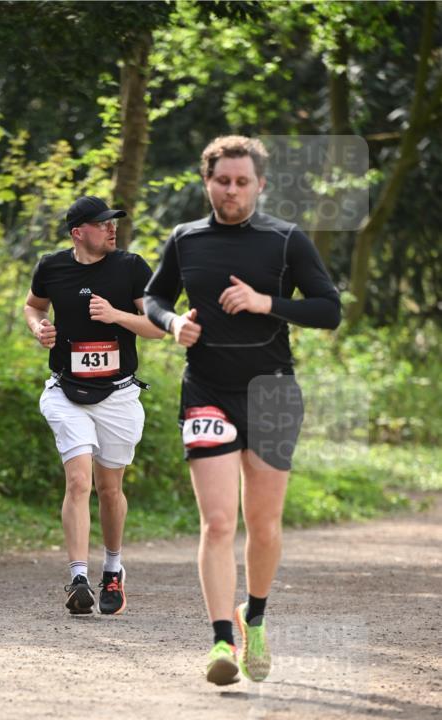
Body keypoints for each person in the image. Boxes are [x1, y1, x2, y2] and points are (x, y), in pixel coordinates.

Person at [144, 135, 341, 685]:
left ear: (260, 184)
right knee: (217, 522)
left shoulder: (286, 241)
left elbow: (329, 310)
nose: (231, 191)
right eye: (222, 180)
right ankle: (219, 643)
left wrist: (264, 303)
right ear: (207, 182)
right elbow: (153, 298)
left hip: (273, 393)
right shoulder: (185, 240)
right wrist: (171, 323)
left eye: (242, 181)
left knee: (264, 523)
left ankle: (254, 618)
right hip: (206, 388)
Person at [24, 195, 164, 616]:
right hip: (67, 392)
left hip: (119, 395)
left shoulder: (132, 267)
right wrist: (39, 328)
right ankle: (78, 578)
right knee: (79, 481)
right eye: (102, 223)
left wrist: (117, 316)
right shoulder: (52, 267)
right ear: (78, 232)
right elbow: (33, 306)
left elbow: (158, 328)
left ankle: (114, 570)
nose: (111, 228)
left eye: (113, 222)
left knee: (109, 488)